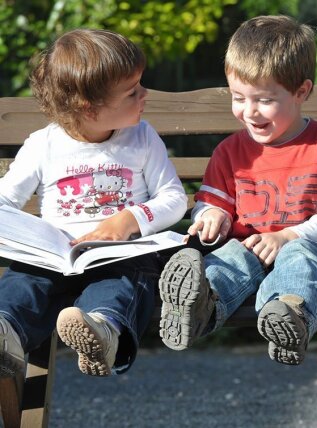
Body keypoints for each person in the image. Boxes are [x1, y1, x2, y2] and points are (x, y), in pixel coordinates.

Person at [157, 15, 317, 365]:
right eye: (238, 98)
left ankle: (290, 316)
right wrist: (212, 216)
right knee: (228, 259)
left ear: (302, 92)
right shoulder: (230, 152)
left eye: (264, 100)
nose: (249, 112)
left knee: (300, 260)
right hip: (248, 249)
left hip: (310, 252)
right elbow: (208, 204)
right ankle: (200, 306)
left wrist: (287, 237)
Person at [0, 29, 187, 377]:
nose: (145, 94)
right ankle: (5, 331)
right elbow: (4, 200)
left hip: (121, 255)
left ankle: (102, 332)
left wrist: (129, 220)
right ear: (89, 108)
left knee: (118, 285)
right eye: (132, 92)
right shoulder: (44, 145)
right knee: (22, 283)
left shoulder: (142, 137)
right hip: (56, 259)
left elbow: (173, 198)